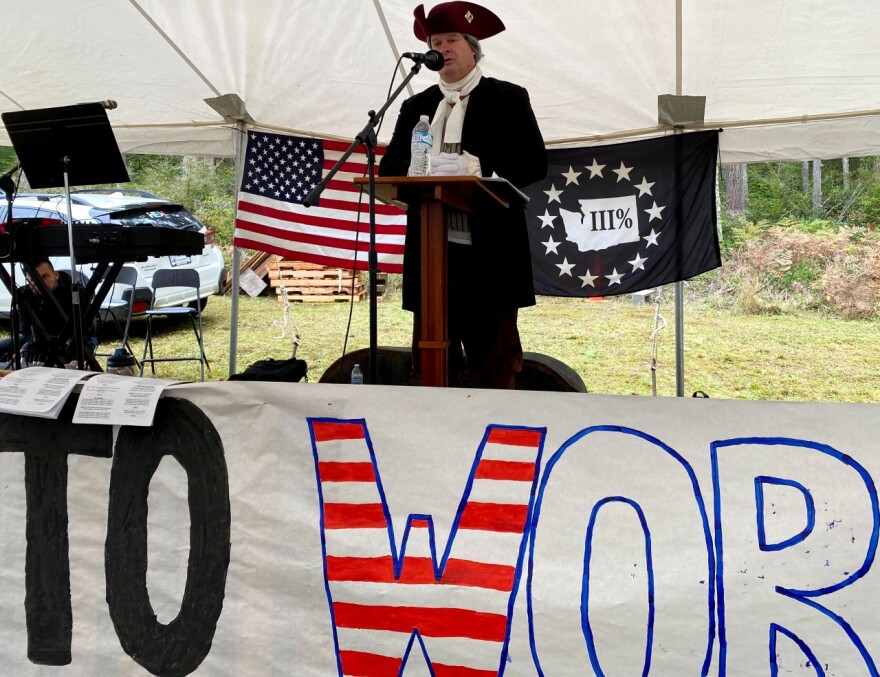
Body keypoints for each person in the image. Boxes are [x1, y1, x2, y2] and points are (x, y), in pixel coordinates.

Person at [379, 1, 547, 389]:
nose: (444, 47)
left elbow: (533, 163)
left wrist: (479, 167)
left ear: (473, 48)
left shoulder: (508, 98)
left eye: (452, 39)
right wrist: (419, 170)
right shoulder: (415, 106)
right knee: (432, 360)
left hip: (490, 253)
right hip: (432, 255)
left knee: (494, 361)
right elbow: (389, 168)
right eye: (436, 41)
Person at [17, 259, 98, 367]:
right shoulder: (25, 295)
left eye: (44, 277)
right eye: (32, 280)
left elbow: (87, 330)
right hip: (41, 339)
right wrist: (34, 344)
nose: (39, 284)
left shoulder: (75, 292)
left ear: (56, 275)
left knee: (86, 345)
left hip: (74, 339)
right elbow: (26, 329)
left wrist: (76, 357)